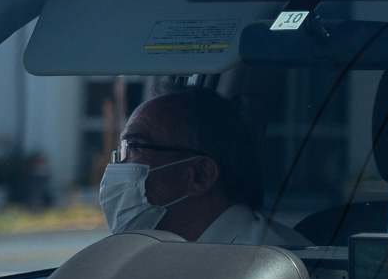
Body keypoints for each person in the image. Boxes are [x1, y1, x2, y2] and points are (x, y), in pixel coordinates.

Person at [101, 87, 302, 245]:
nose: (119, 165)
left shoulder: (270, 265)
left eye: (135, 147)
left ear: (200, 176)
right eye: (122, 149)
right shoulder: (165, 253)